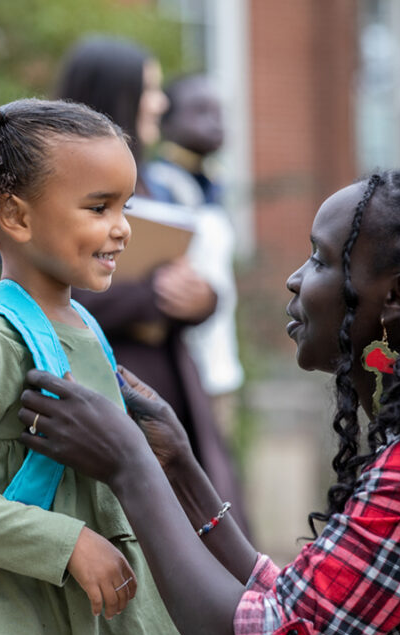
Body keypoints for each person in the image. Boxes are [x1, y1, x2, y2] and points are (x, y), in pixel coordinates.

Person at [17, 158, 400, 635]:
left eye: (322, 259)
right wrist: (180, 468)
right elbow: (308, 603)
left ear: (397, 296)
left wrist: (130, 467)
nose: (296, 279)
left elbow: (271, 634)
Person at [0, 98, 180, 635]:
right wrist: (69, 542)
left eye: (125, 208)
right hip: (19, 616)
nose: (122, 229)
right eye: (99, 208)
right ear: (17, 217)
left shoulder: (83, 325)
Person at [54, 36, 251, 535]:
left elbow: (200, 281)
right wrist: (152, 297)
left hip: (177, 390)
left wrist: (201, 300)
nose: (161, 104)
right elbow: (41, 288)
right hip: (108, 390)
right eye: (151, 89)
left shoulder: (162, 188)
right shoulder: (51, 190)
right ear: (117, 95)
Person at [143, 72, 245, 433]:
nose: (215, 121)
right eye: (200, 110)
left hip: (221, 367)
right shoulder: (157, 187)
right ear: (167, 121)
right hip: (182, 368)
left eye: (219, 111)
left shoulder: (215, 187)